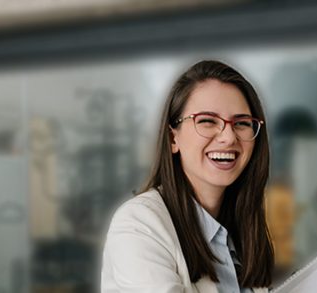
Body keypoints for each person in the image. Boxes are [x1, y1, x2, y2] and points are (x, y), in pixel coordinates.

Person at [100, 60, 274, 293]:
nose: (228, 137)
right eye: (207, 121)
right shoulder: (138, 225)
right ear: (173, 139)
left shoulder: (241, 232)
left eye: (241, 123)